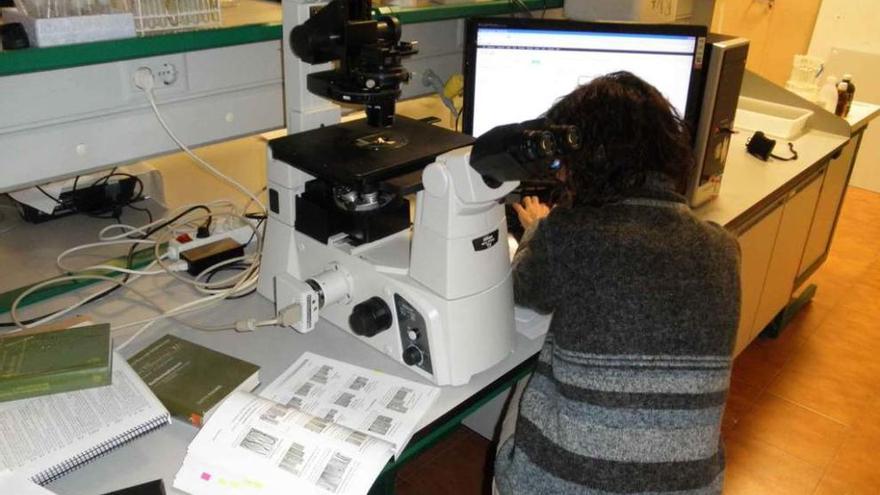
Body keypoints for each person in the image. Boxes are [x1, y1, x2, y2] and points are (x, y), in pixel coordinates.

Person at [494, 71, 741, 494]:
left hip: (559, 486)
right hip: (690, 488)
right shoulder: (724, 248)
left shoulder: (565, 234)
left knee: (523, 377)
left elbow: (522, 291)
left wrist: (539, 230)